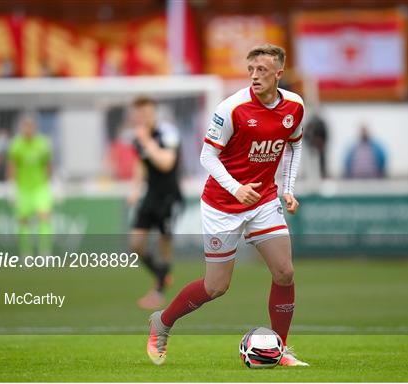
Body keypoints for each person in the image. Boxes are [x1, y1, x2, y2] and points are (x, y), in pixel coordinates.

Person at [146, 44, 309, 367]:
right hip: (223, 204)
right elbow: (207, 155)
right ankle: (162, 322)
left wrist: (287, 189)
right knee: (216, 286)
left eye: (262, 70)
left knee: (284, 271)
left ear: (279, 73)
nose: (255, 76)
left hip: (263, 200)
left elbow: (294, 145)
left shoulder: (295, 106)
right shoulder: (231, 108)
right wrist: (236, 189)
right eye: (251, 69)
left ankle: (280, 350)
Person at [128, 96, 183, 310]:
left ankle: (159, 290)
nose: (143, 118)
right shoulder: (138, 138)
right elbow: (141, 164)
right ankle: (163, 275)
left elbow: (166, 163)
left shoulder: (166, 133)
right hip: (150, 195)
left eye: (147, 113)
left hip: (169, 196)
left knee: (163, 244)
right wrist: (135, 189)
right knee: (135, 245)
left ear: (154, 113)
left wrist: (147, 142)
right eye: (139, 114)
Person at [8, 115, 53, 256]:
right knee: (23, 220)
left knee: (44, 216)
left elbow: (48, 165)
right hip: (23, 188)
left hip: (40, 187)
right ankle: (25, 252)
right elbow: (12, 166)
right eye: (25, 127)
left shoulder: (42, 144)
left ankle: (45, 252)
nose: (28, 130)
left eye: (30, 127)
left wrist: (51, 183)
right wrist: (11, 186)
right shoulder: (16, 145)